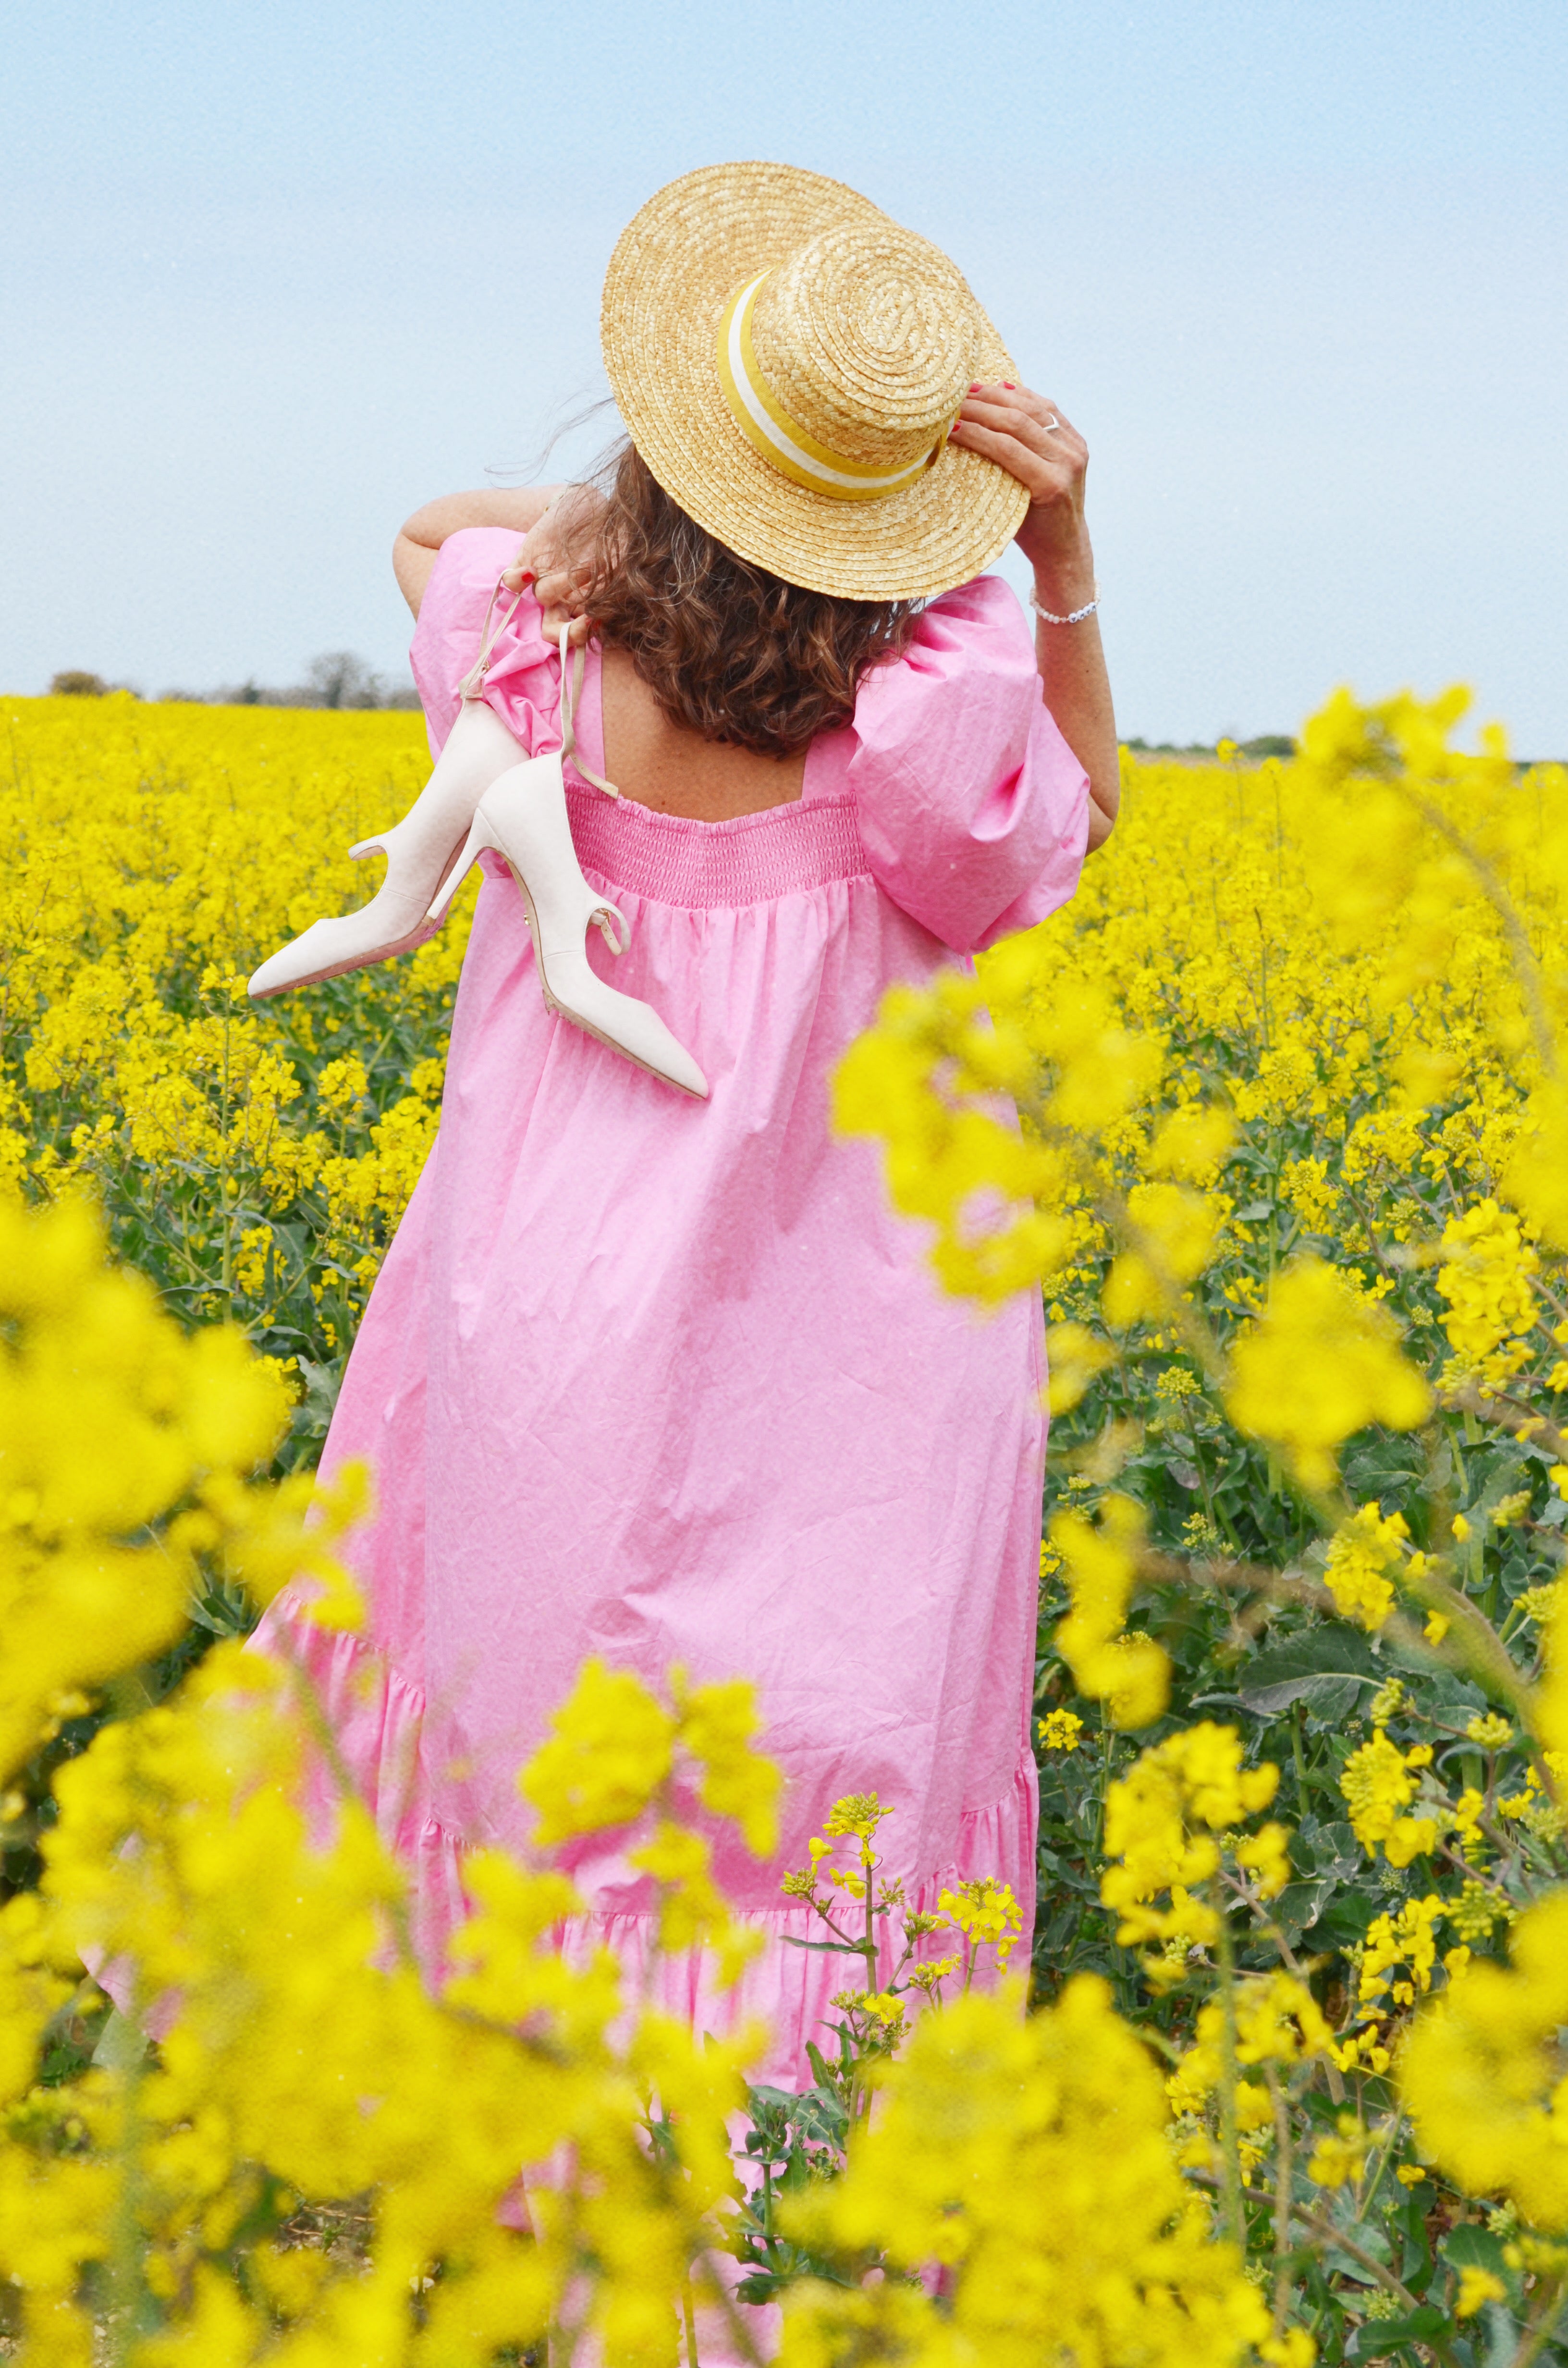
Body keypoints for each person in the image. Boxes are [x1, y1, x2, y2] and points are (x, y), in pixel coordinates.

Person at [250, 161, 1118, 2087]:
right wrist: (1059, 558)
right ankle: (766, 2156)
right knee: (827, 1733)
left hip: (544, 1275)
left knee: (520, 1681)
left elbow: (426, 528)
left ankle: (489, 2103)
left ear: (674, 443)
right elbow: (1079, 820)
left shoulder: (532, 646)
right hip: (856, 1324)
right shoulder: (936, 712)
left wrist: (636, 525)